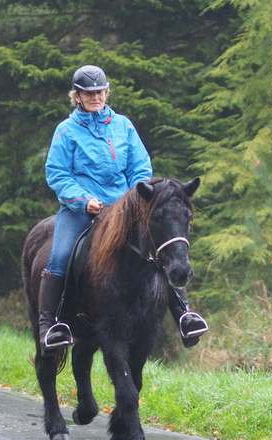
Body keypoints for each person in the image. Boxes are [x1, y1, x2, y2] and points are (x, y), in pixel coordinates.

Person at [38, 64, 207, 356]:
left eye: (100, 91)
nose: (96, 97)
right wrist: (82, 200)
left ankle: (184, 314)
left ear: (107, 92)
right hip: (82, 209)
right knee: (61, 255)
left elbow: (140, 167)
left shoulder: (123, 125)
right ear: (77, 96)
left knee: (160, 246)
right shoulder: (66, 131)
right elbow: (57, 173)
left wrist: (134, 200)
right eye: (89, 93)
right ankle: (50, 326)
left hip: (124, 209)